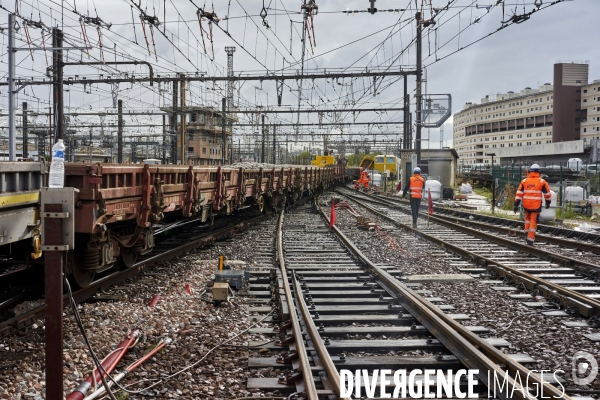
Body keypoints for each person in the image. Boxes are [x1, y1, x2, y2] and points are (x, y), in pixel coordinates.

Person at [514, 163, 551, 246]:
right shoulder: (542, 182)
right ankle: (530, 240)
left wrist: (516, 205)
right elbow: (547, 194)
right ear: (539, 172)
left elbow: (519, 194)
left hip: (526, 206)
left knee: (527, 219)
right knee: (533, 222)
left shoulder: (524, 181)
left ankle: (526, 233)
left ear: (530, 171)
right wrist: (548, 203)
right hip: (536, 206)